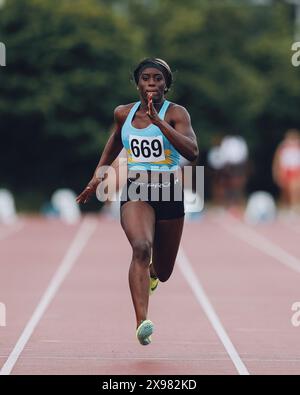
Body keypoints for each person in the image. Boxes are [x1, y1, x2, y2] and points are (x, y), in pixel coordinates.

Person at [76, 58, 199, 345]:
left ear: (166, 84)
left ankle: (153, 274)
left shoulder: (177, 114)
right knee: (141, 247)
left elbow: (192, 151)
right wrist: (97, 178)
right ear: (138, 83)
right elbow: (116, 141)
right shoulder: (123, 113)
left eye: (158, 79)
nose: (152, 84)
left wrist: (159, 122)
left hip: (169, 191)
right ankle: (142, 322)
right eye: (146, 78)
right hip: (136, 189)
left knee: (165, 271)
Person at [272, 129, 300, 211]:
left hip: (296, 170)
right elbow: (277, 160)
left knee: (295, 188)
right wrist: (276, 172)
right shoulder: (283, 147)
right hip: (286, 170)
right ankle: (287, 206)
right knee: (285, 191)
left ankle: (295, 205)